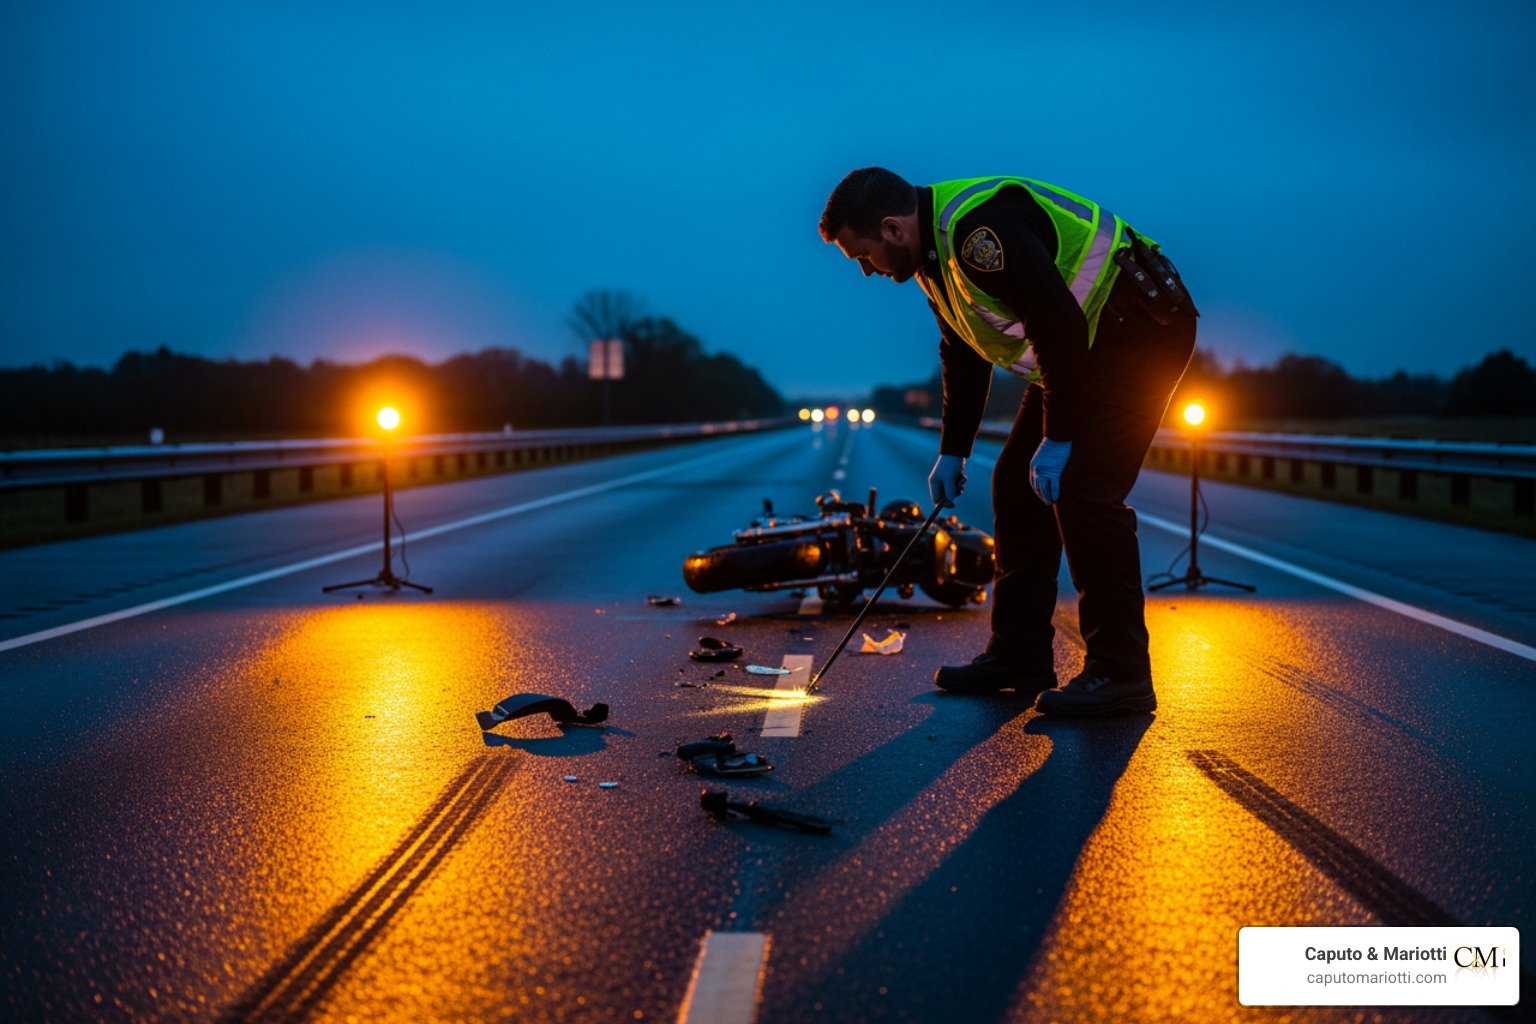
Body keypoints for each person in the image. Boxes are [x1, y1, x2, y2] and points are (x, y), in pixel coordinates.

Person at [819, 168, 1198, 716]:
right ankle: (1020, 656)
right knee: (1017, 488)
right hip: (1081, 348)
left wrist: (1060, 438)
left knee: (1085, 492)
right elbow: (965, 350)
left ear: (892, 228)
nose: (866, 271)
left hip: (1137, 332)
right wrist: (954, 451)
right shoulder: (932, 260)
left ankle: (1121, 675)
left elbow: (1057, 324)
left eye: (863, 256)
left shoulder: (976, 232)